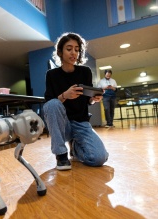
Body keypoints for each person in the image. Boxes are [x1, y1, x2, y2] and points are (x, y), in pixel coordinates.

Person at [43, 32, 109, 171]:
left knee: (99, 158)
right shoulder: (52, 75)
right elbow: (49, 103)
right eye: (69, 49)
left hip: (81, 123)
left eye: (77, 49)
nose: (74, 53)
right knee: (53, 103)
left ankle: (75, 147)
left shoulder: (85, 72)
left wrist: (93, 99)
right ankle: (61, 154)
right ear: (60, 52)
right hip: (63, 126)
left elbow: (87, 102)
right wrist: (65, 95)